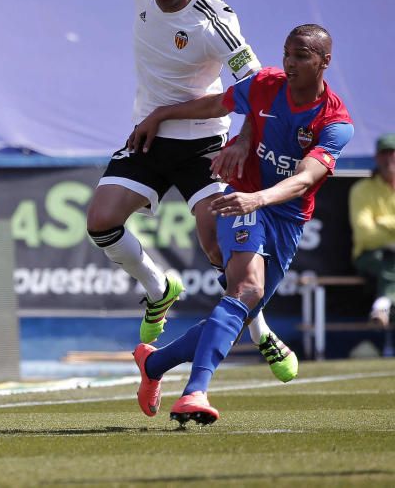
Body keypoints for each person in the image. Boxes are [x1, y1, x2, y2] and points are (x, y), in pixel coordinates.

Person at [92, 0, 296, 382]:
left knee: (217, 244)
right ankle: (159, 290)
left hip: (205, 142)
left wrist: (243, 140)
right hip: (149, 133)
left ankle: (261, 330)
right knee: (100, 221)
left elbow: (260, 87)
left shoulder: (214, 20)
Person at [129, 24, 353, 424]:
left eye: (301, 55)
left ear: (324, 62)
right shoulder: (267, 83)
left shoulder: (334, 122)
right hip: (241, 199)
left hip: (285, 214)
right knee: (247, 288)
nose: (290, 62)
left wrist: (261, 197)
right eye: (287, 53)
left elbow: (305, 178)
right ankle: (195, 392)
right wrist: (163, 113)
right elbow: (217, 105)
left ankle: (155, 364)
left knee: (241, 309)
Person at [349, 134, 395, 327]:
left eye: (393, 153)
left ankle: (383, 304)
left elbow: (373, 229)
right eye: (384, 153)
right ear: (376, 157)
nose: (389, 158)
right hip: (369, 256)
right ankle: (384, 303)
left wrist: (383, 222)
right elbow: (365, 235)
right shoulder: (362, 189)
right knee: (388, 262)